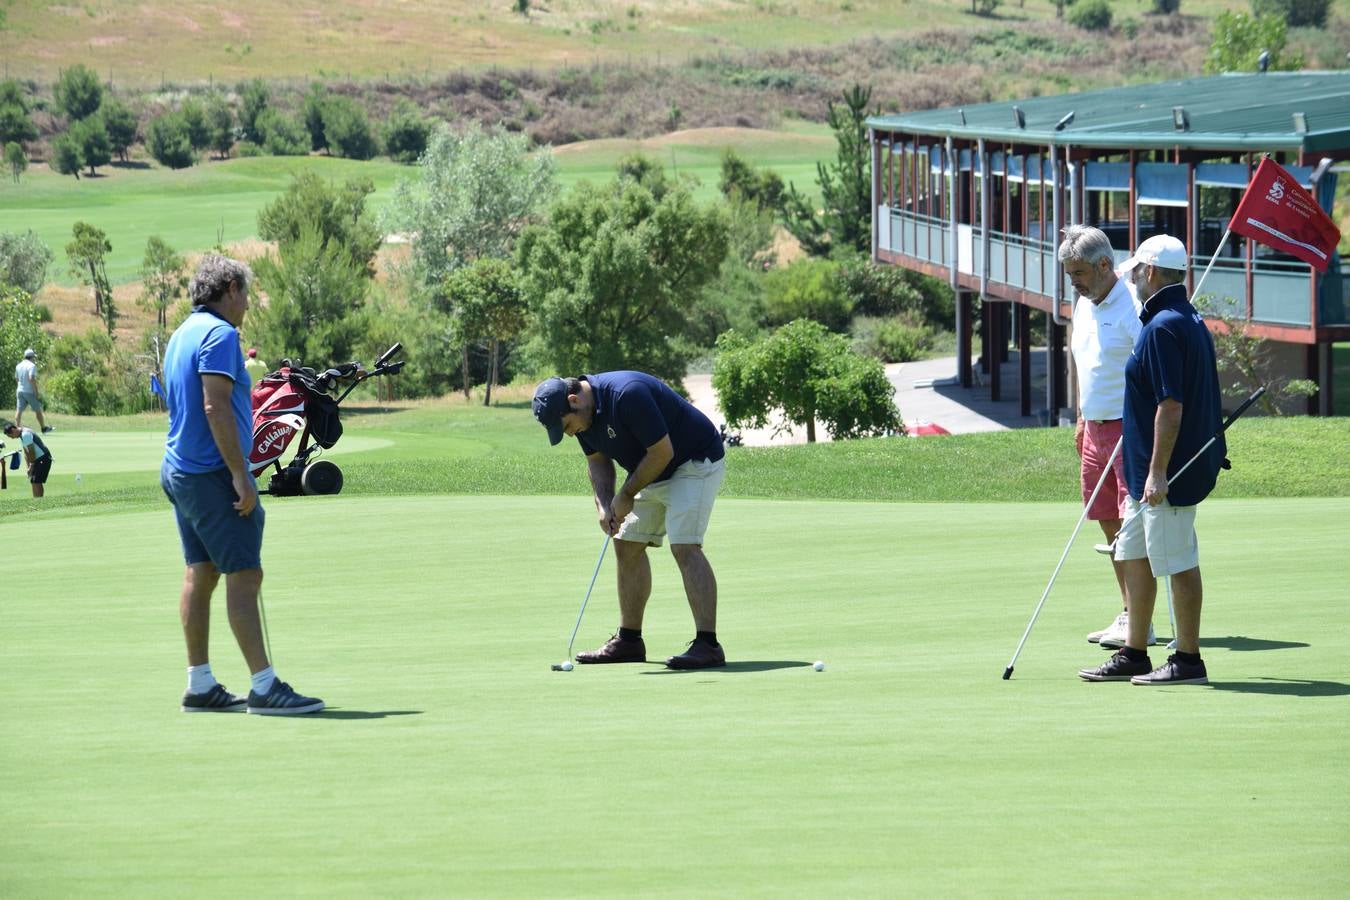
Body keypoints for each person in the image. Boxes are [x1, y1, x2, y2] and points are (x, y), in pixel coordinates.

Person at [161, 254, 324, 714]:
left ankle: (200, 684)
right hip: (211, 472)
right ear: (230, 288)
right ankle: (265, 686)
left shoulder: (181, 334)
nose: (248, 304)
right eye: (246, 293)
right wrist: (239, 474)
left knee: (203, 570)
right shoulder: (219, 334)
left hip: (180, 469)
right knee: (244, 573)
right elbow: (214, 407)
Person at [1079, 235, 1225, 686]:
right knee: (1135, 554)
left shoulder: (1163, 325)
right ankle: (1135, 653)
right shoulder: (1181, 318)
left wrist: (1158, 471)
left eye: (1137, 269)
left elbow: (1172, 405)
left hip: (1168, 472)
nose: (1132, 276)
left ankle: (1187, 660)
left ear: (1154, 273)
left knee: (1177, 561)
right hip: (1149, 468)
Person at [533, 372, 728, 670]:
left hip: (693, 462)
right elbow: (597, 461)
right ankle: (629, 640)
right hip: (652, 469)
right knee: (626, 544)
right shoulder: (582, 416)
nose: (571, 434)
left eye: (567, 427)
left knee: (684, 545)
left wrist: (625, 495)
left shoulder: (627, 394)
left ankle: (708, 645)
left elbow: (663, 452)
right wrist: (604, 505)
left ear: (574, 401)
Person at [1058, 225, 1152, 650]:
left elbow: (1149, 370)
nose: (1073, 281)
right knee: (1109, 522)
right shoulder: (1083, 303)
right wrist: (1081, 416)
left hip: (1128, 428)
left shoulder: (1133, 305)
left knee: (1133, 529)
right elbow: (1085, 362)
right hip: (1093, 428)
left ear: (1103, 265)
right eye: (1068, 273)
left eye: (1078, 272)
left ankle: (1141, 623)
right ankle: (1130, 612)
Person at [2, 419, 52, 498]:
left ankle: (39, 501)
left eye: (10, 436)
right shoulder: (22, 435)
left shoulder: (25, 434)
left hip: (43, 458)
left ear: (13, 430)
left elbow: (31, 451)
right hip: (38, 459)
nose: (11, 438)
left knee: (36, 481)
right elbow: (26, 452)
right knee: (34, 480)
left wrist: (32, 465)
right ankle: (37, 500)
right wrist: (28, 467)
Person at [14, 348, 52, 434]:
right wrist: (36, 392)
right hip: (29, 391)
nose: (34, 359)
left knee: (19, 410)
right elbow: (31, 378)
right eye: (34, 357)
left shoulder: (18, 365)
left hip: (19, 390)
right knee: (38, 410)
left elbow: (16, 378)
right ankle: (43, 428)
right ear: (31, 357)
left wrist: (21, 386)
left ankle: (17, 429)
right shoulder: (32, 365)